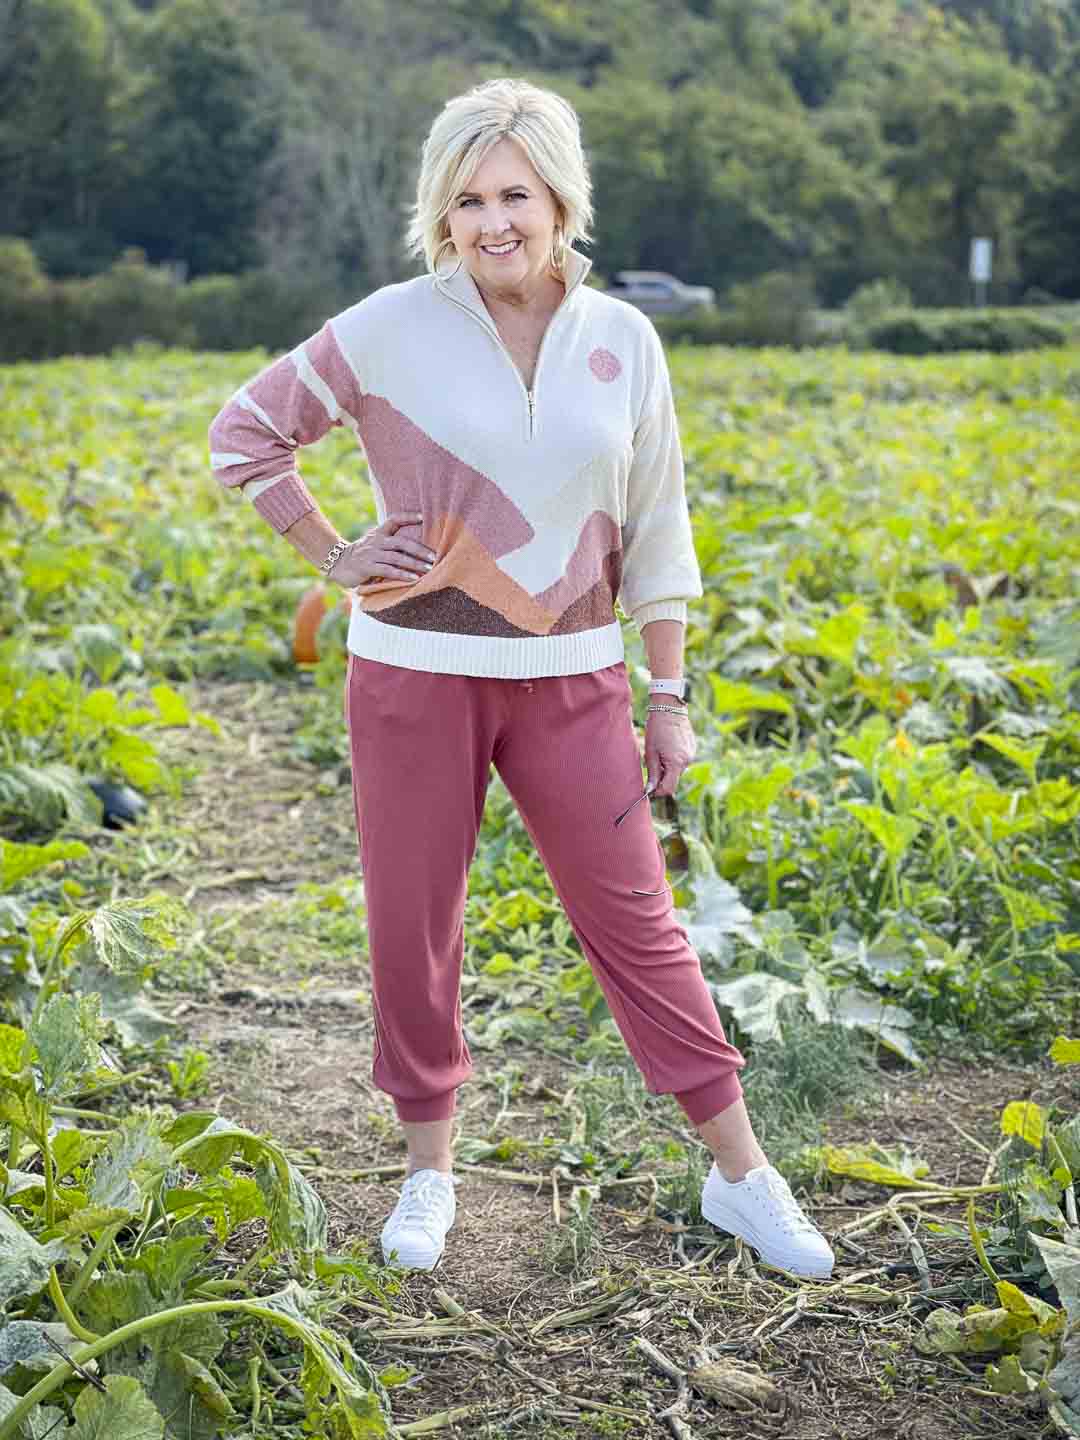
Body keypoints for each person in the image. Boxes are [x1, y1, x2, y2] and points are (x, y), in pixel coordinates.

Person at [208, 77, 834, 1281]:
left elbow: (658, 525)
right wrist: (332, 552)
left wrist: (668, 694)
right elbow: (247, 432)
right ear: (442, 212)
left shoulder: (623, 340)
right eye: (468, 200)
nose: (495, 222)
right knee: (415, 922)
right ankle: (429, 1173)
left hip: (578, 681)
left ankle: (742, 1177)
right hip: (411, 677)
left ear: (559, 198)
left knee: (641, 924)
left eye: (516, 195)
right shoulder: (390, 325)